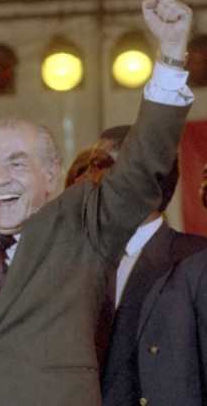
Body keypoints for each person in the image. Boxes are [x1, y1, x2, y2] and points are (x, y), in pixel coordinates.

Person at [0, 0, 195, 406]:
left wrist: (171, 56)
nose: (1, 178)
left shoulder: (87, 231)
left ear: (51, 175)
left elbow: (141, 166)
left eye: (17, 163)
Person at [79, 127, 207, 405]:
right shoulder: (81, 262)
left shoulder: (196, 261)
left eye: (101, 166)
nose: (90, 179)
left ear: (149, 175)